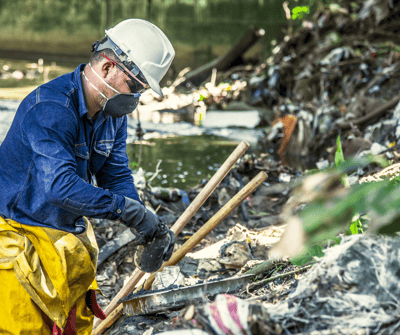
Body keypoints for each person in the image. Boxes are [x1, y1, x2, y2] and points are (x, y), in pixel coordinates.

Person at [0, 18, 175, 334]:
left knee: (75, 326)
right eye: (134, 86)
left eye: (142, 90)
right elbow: (59, 186)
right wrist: (127, 211)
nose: (135, 98)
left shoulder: (111, 114)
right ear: (108, 67)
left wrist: (144, 223)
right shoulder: (50, 108)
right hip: (17, 234)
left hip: (65, 235)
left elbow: (116, 174)